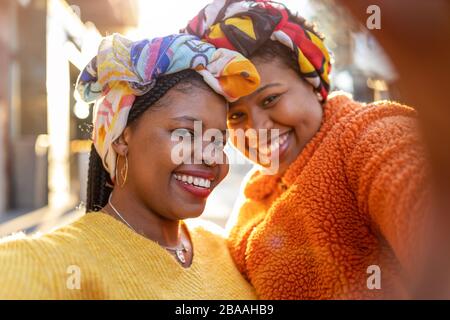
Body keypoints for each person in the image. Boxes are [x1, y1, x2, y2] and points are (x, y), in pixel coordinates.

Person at [183, 0, 430, 299]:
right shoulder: (255, 193)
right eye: (236, 116)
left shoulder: (367, 135)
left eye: (270, 99)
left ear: (312, 83)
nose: (257, 128)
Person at [0, 33, 260, 299]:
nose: (210, 156)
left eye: (218, 140)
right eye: (185, 134)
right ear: (122, 137)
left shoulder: (223, 246)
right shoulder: (47, 263)